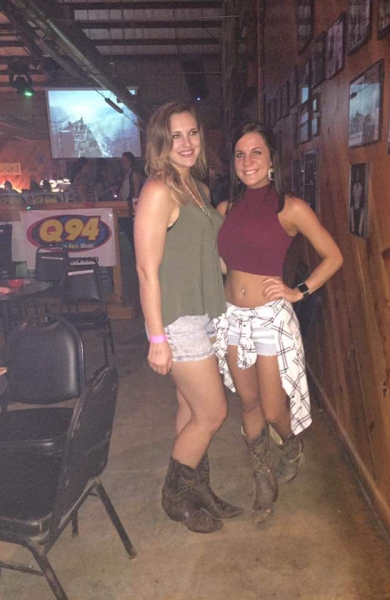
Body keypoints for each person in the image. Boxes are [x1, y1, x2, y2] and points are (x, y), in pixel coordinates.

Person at [215, 122, 343, 524]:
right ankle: (263, 479)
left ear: (271, 159)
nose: (247, 161)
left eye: (256, 152)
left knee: (272, 409)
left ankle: (291, 444)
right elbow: (222, 264)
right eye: (240, 154)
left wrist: (298, 291)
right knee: (248, 402)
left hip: (270, 318)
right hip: (233, 318)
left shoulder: (291, 207)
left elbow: (333, 256)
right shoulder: (225, 209)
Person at [134, 102, 242, 534]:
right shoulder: (159, 190)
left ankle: (198, 488)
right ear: (161, 141)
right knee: (213, 413)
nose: (186, 143)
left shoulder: (195, 186)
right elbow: (146, 269)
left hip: (203, 310)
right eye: (176, 135)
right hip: (177, 320)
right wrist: (157, 338)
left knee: (191, 407)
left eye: (192, 133)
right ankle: (175, 496)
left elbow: (209, 253)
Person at [118, 152, 144, 251]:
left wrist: (134, 205)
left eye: (124, 160)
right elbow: (122, 189)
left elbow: (136, 191)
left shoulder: (134, 174)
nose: (122, 163)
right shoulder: (126, 174)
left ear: (130, 161)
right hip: (125, 203)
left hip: (131, 203)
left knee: (130, 227)